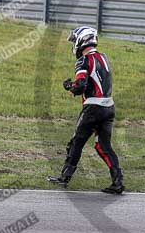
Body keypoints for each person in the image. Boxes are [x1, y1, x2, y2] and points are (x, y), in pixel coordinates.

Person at [47, 26, 124, 194]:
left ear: (82, 40)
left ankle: (64, 178)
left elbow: (80, 86)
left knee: (76, 143)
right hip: (109, 107)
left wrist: (69, 86)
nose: (74, 44)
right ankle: (118, 181)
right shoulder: (103, 57)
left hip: (93, 108)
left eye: (75, 40)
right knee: (103, 146)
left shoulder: (83, 61)